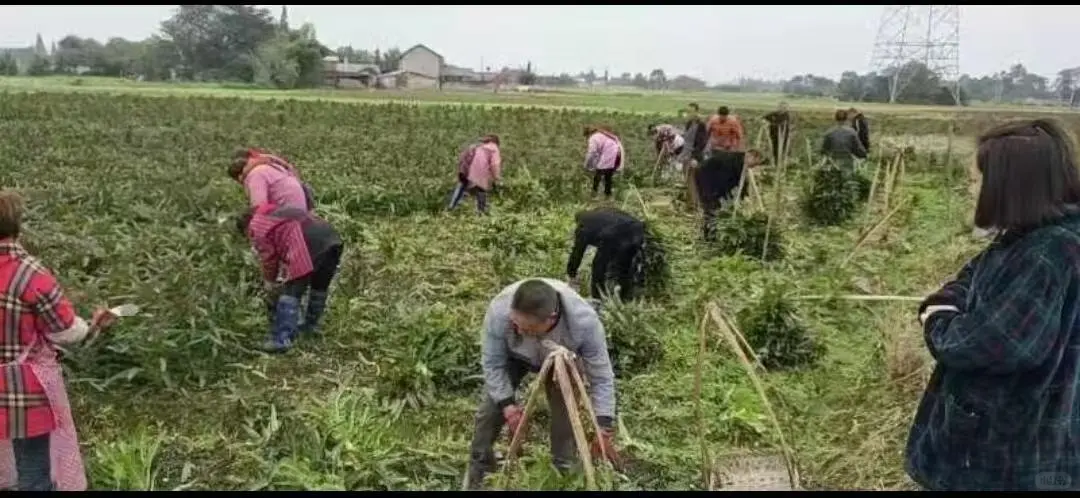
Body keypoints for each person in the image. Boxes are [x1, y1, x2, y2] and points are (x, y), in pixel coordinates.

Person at [906, 118, 1080, 491]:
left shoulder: (1048, 253)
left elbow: (997, 343)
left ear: (1009, 186)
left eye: (976, 179)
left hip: (1008, 446)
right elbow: (967, 280)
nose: (970, 188)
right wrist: (946, 300)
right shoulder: (1026, 239)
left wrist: (937, 321)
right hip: (1025, 435)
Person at [0, 190, 117, 491]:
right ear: (16, 224)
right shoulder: (30, 274)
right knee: (33, 471)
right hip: (22, 390)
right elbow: (66, 332)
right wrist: (92, 325)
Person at [465, 278, 618, 489]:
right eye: (515, 324)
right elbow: (493, 364)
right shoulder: (500, 312)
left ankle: (562, 469)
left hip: (562, 359)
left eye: (527, 328)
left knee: (565, 412)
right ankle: (480, 467)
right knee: (490, 410)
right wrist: (508, 405)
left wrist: (603, 425)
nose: (519, 331)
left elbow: (601, 376)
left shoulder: (584, 323)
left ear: (551, 319)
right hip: (514, 356)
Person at [236, 202, 344, 353]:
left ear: (245, 227)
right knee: (319, 286)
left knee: (291, 292)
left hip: (306, 242)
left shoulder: (256, 225)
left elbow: (269, 258)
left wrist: (269, 282)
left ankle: (282, 339)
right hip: (331, 237)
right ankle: (311, 328)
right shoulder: (274, 211)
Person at [566, 208, 647, 302]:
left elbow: (578, 252)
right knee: (625, 266)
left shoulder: (583, 226)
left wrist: (571, 272)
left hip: (614, 235)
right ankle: (625, 296)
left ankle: (597, 298)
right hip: (637, 229)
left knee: (598, 267)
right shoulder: (603, 211)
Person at [696, 149, 765, 241]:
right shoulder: (733, 161)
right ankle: (708, 235)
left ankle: (712, 233)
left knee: (716, 207)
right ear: (751, 156)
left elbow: (741, 181)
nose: (753, 167)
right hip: (708, 178)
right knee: (711, 207)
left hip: (715, 180)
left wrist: (744, 196)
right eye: (755, 164)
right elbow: (727, 180)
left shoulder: (740, 162)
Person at [229, 147, 314, 211]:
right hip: (302, 214)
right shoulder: (273, 165)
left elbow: (259, 207)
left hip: (288, 219)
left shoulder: (255, 174)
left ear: (239, 176)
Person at [449, 135, 502, 215]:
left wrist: (462, 170)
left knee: (461, 186)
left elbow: (463, 157)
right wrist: (496, 177)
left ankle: (451, 207)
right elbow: (494, 164)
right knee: (481, 190)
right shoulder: (494, 149)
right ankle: (481, 213)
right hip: (479, 170)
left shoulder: (477, 146)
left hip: (466, 169)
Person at [682, 103, 711, 211]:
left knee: (693, 180)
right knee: (686, 179)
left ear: (696, 111)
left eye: (691, 111)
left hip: (695, 156)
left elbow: (701, 143)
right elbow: (687, 140)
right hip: (687, 154)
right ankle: (689, 203)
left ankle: (695, 205)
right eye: (688, 111)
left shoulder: (701, 124)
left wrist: (695, 158)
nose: (689, 113)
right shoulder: (689, 123)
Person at [584, 125, 626, 199]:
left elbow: (592, 152)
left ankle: (594, 194)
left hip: (610, 153)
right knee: (608, 175)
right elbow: (596, 154)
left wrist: (586, 164)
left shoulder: (593, 138)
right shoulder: (601, 135)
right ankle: (608, 194)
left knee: (598, 174)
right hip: (617, 152)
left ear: (588, 134)